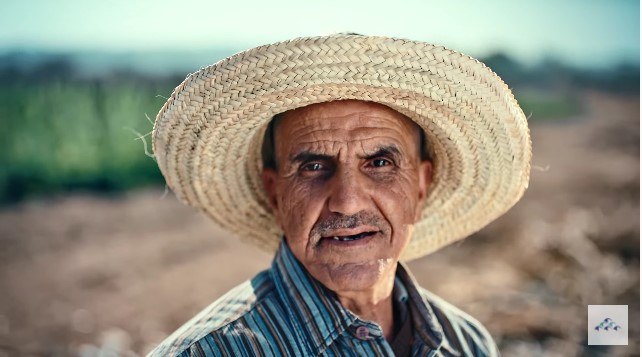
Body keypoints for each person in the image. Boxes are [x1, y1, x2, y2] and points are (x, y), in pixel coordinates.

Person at [147, 34, 531, 356]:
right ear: (274, 193)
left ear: (420, 185)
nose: (348, 201)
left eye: (380, 163)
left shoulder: (467, 343)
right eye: (314, 167)